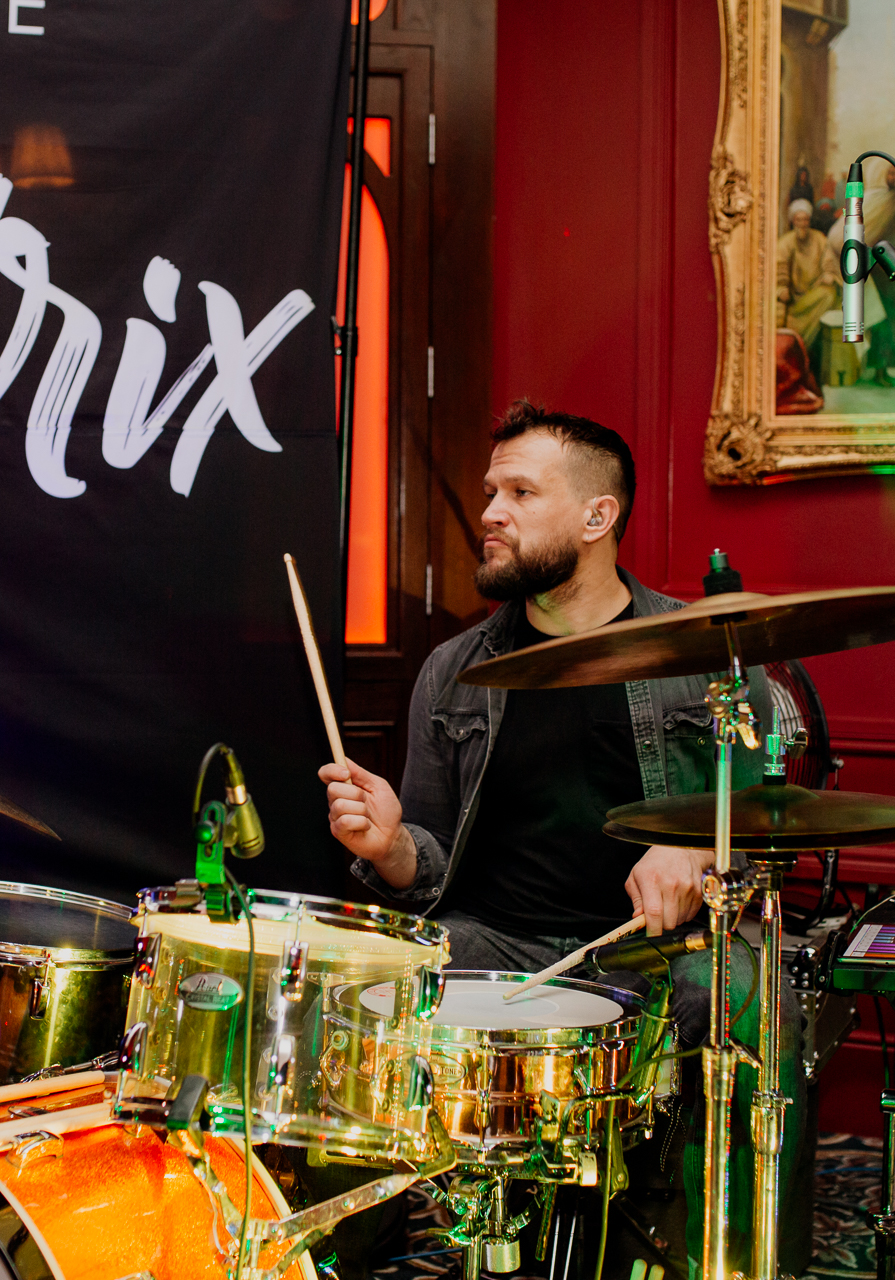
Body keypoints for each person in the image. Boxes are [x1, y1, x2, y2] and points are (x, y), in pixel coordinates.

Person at [318, 400, 811, 1274]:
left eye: (519, 492)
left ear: (597, 516)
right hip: (496, 938)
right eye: (490, 491)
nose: (491, 513)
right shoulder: (455, 670)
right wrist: (390, 847)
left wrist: (703, 845)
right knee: (357, 989)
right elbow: (428, 862)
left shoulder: (698, 652)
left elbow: (780, 791)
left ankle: (708, 1255)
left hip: (653, 951)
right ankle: (355, 1255)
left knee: (742, 992)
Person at [775, 198, 837, 381]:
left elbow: (829, 264)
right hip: (794, 300)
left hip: (814, 295)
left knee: (829, 294)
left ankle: (805, 350)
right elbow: (780, 272)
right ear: (793, 221)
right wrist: (781, 289)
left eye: (805, 220)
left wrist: (828, 275)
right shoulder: (785, 243)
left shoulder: (819, 239)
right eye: (798, 220)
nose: (802, 224)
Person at [864, 164, 895, 384]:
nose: (894, 178)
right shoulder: (873, 199)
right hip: (878, 272)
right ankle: (878, 370)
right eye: (889, 174)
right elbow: (865, 234)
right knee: (881, 320)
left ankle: (889, 366)